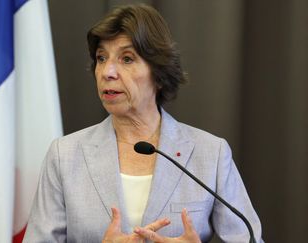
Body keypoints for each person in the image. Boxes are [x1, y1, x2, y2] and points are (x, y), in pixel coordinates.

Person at [24, 4, 263, 243]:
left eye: (127, 59)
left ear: (158, 73)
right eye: (101, 57)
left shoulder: (210, 154)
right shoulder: (64, 156)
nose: (107, 71)